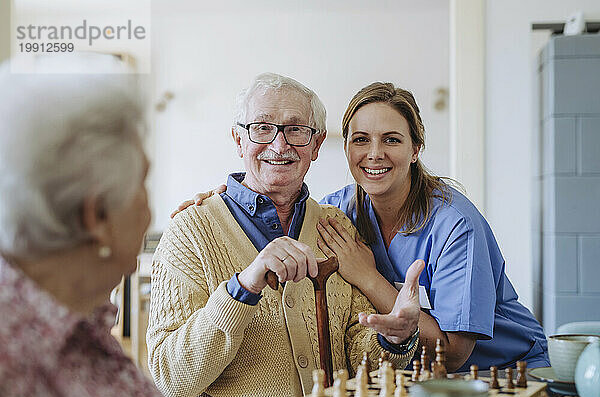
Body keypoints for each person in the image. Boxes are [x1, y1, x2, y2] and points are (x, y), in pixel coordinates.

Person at [174, 82, 550, 373]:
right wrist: (223, 197)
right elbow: (280, 202)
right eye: (360, 140)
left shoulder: (456, 226)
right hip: (416, 375)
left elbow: (451, 353)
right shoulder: (339, 211)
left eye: (392, 139)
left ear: (415, 148)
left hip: (501, 372)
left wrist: (368, 278)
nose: (374, 154)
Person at [147, 73, 422, 397]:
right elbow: (170, 379)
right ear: (238, 140)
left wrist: (393, 341)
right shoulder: (189, 231)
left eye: (296, 130)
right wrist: (243, 287)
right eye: (262, 128)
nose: (280, 145)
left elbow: (356, 355)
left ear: (316, 145)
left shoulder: (335, 226)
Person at [0, 55, 165, 397]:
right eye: (143, 182)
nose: (150, 211)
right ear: (98, 215)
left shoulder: (78, 319)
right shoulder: (13, 365)